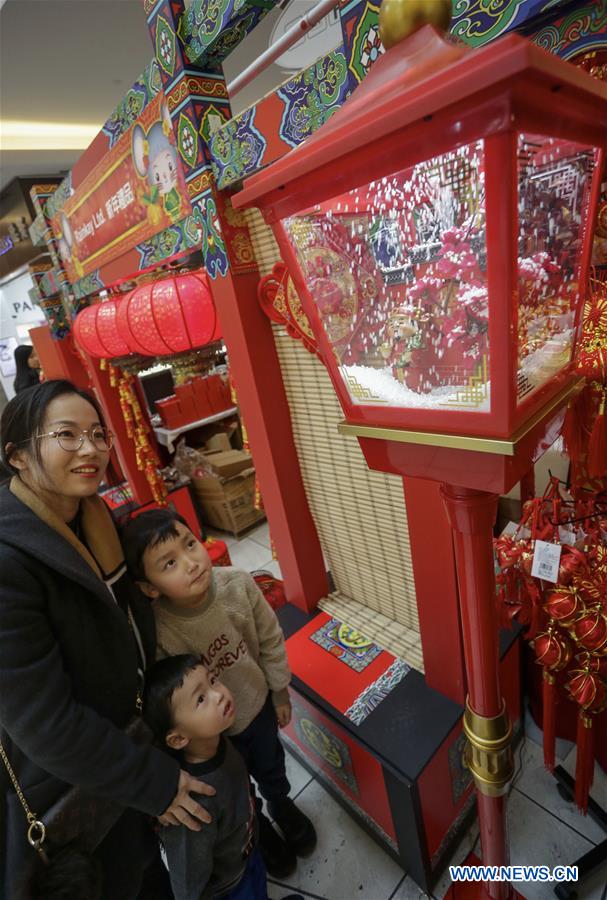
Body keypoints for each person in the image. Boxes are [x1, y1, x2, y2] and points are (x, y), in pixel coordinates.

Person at [0, 380, 214, 900]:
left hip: (131, 738)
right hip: (80, 777)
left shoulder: (95, 520)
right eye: (67, 435)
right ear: (19, 457)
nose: (91, 449)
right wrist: (153, 782)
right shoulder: (10, 562)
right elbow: (44, 724)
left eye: (98, 434)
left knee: (153, 873)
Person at [123, 509, 317, 880]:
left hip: (257, 704)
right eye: (169, 563)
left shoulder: (238, 584)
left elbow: (271, 640)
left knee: (271, 763)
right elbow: (172, 698)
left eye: (190, 545)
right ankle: (257, 825)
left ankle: (281, 803)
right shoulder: (161, 632)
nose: (191, 563)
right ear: (150, 588)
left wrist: (280, 693)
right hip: (215, 738)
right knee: (237, 787)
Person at [144, 654, 304, 900]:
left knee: (259, 884)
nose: (218, 694)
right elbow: (189, 888)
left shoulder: (219, 740)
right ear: (178, 739)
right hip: (230, 886)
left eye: (213, 680)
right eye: (200, 699)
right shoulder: (194, 803)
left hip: (247, 850)